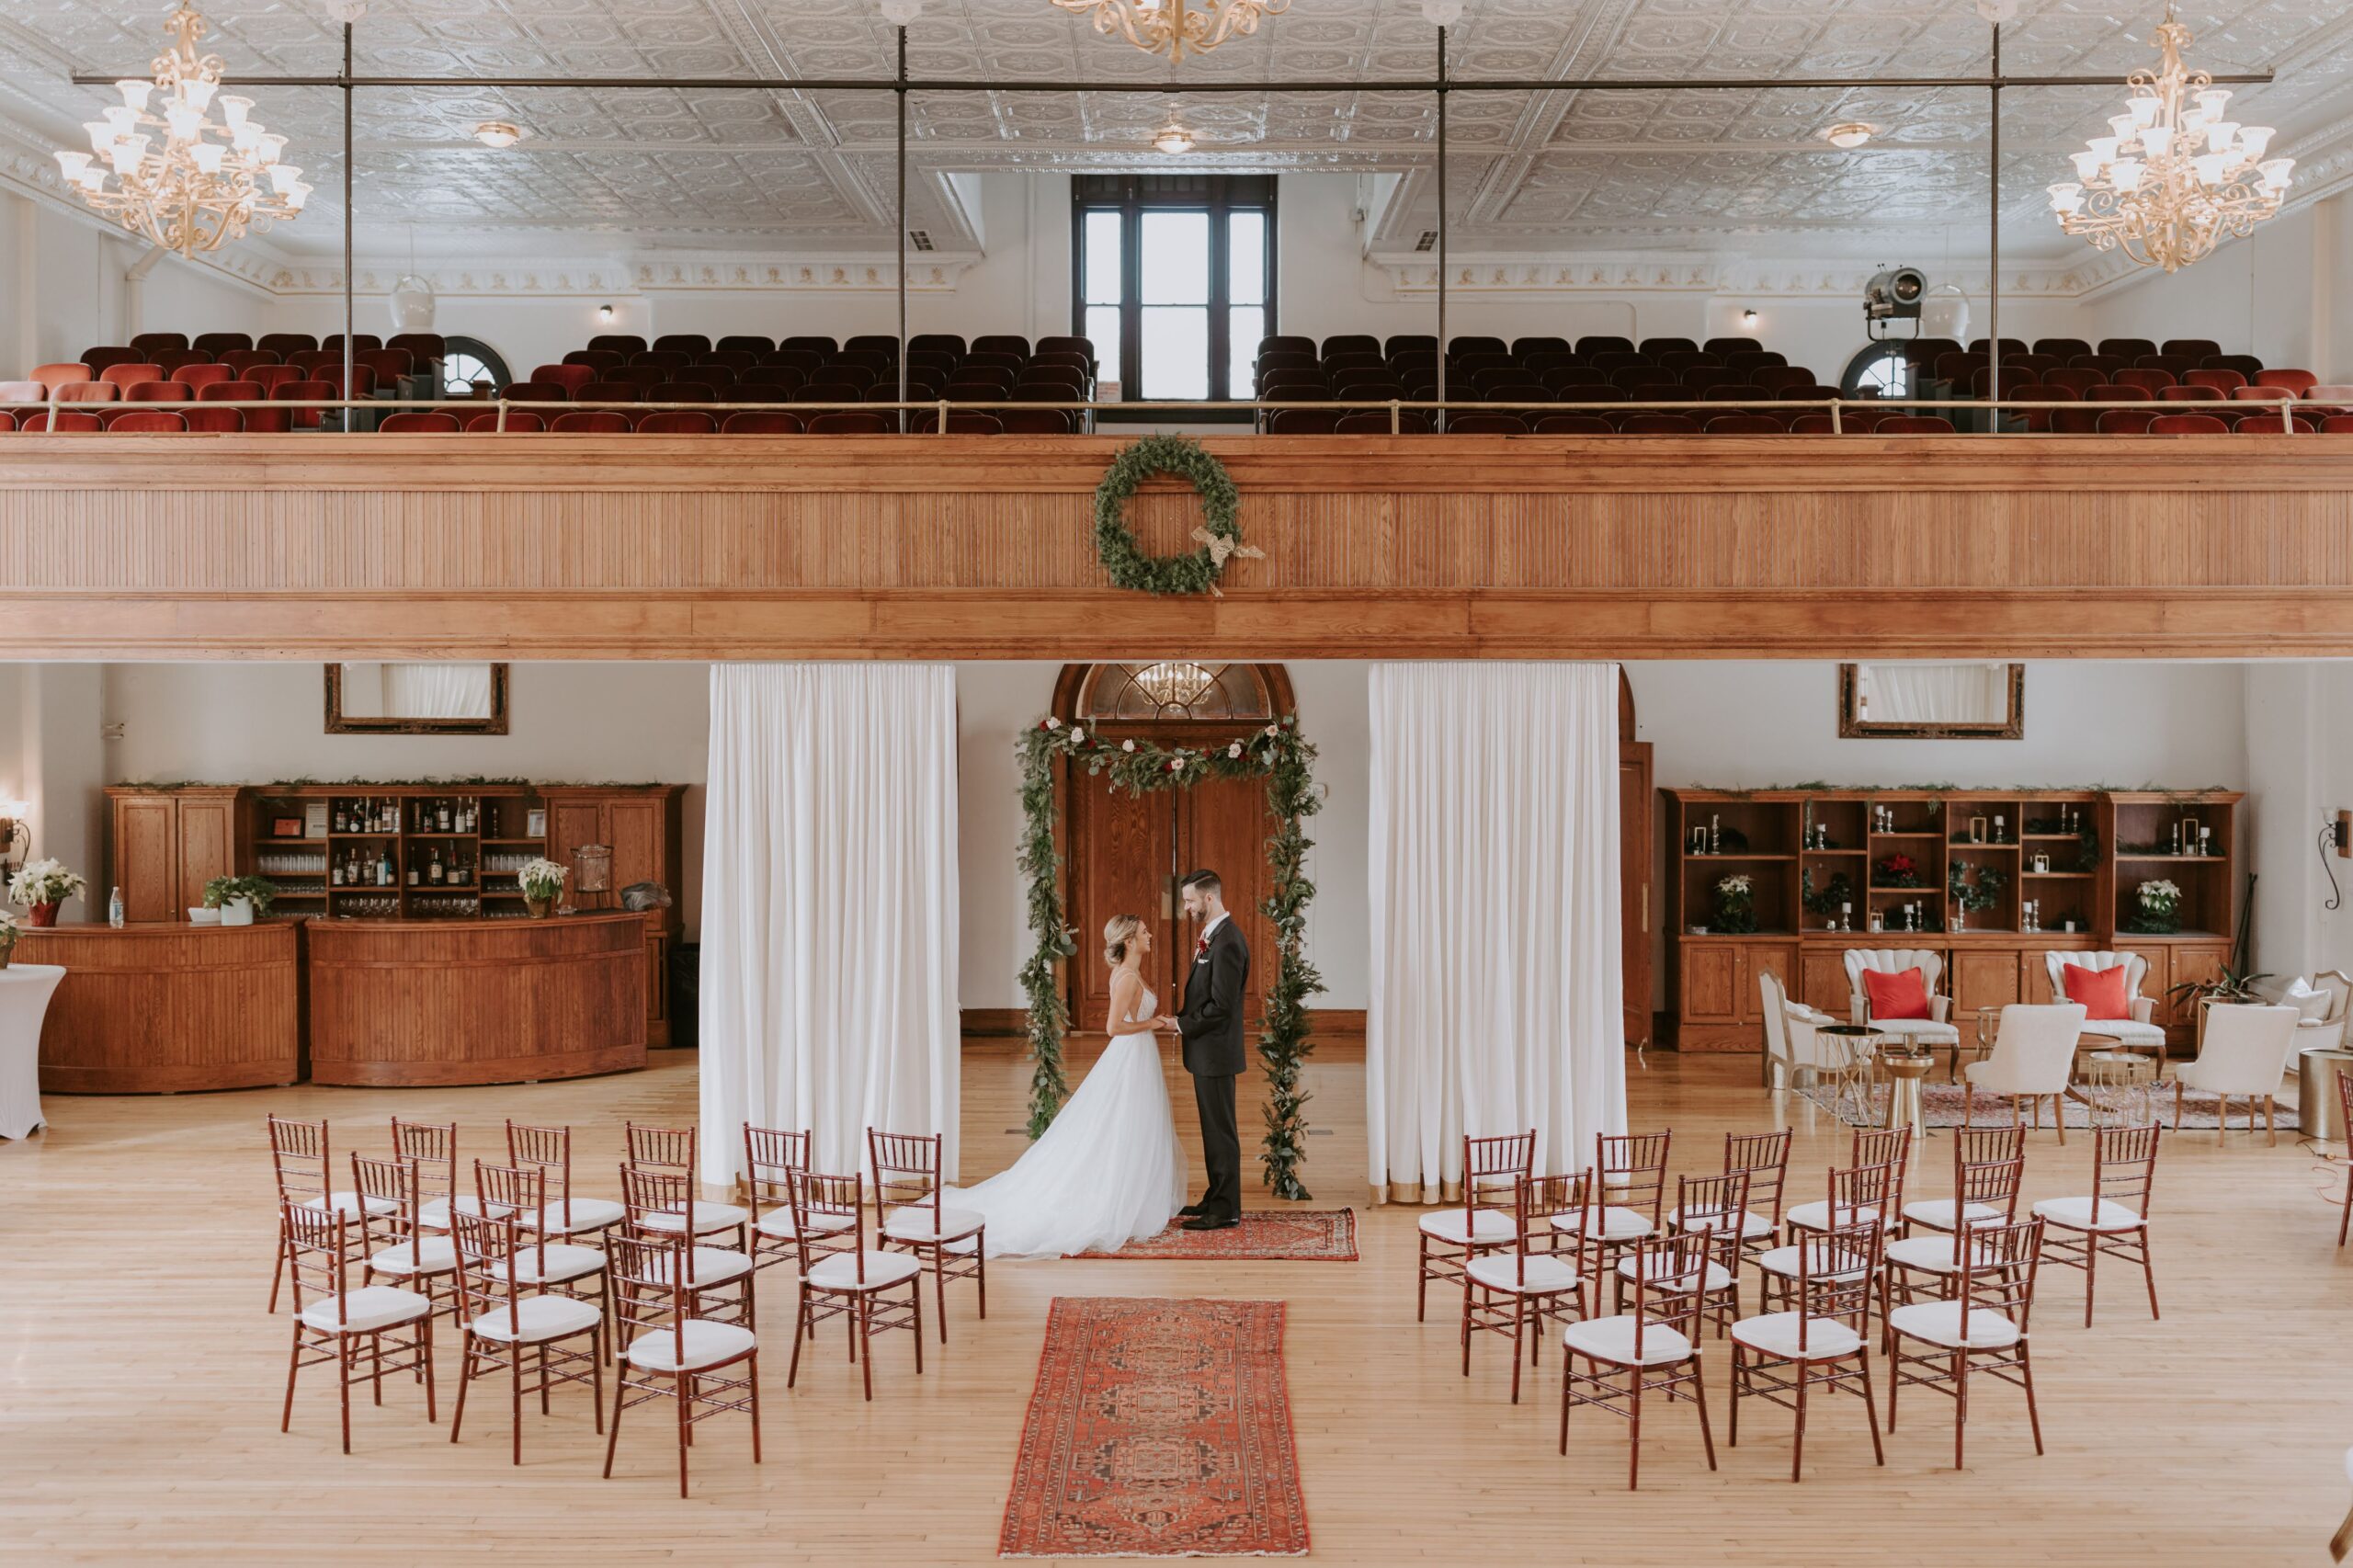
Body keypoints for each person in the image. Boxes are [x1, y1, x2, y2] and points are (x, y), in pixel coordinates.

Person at [944, 913, 1185, 1258]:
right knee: (1125, 1125)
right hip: (1130, 1055)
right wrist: (1154, 1024)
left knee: (1134, 1126)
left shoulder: (1131, 972)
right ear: (1129, 941)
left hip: (1138, 1055)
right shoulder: (1128, 976)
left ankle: (1131, 1193)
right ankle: (1121, 1198)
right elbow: (1113, 1028)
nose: (1151, 936)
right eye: (1145, 932)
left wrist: (1150, 1025)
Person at [1157, 868, 1249, 1232]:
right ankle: (1216, 1196)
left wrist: (1180, 1024)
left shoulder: (1227, 942)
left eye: (1190, 900)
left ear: (1209, 898)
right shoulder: (1215, 935)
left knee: (1220, 1131)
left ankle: (1226, 1209)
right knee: (1213, 1130)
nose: (1187, 907)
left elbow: (1222, 1006)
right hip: (1208, 1052)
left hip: (1217, 1052)